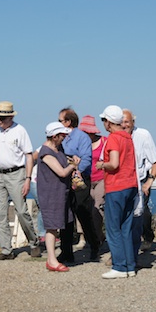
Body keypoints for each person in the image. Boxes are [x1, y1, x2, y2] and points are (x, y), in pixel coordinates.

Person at [0, 101, 41, 260]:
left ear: (10, 116)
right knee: (0, 214)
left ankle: (34, 242)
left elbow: (29, 155)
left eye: (2, 117)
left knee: (21, 211)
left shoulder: (20, 131)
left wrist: (27, 178)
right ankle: (6, 249)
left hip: (16, 174)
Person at [95, 105, 138, 279]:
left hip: (117, 186)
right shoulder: (128, 137)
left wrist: (101, 165)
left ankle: (119, 266)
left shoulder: (113, 138)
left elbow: (114, 164)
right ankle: (130, 266)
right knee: (126, 227)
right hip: (131, 184)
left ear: (109, 122)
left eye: (103, 120)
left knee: (113, 227)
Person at [58, 107, 100, 262]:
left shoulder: (81, 137)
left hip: (79, 179)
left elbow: (86, 158)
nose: (59, 123)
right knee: (65, 214)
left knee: (82, 212)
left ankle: (94, 244)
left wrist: (77, 172)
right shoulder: (60, 137)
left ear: (68, 121)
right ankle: (66, 250)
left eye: (60, 120)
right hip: (64, 178)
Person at [38, 122, 81, 272]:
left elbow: (63, 160)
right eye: (62, 135)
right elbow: (61, 172)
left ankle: (53, 259)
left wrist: (70, 158)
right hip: (51, 194)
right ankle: (52, 259)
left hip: (60, 192)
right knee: (52, 227)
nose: (65, 138)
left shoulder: (57, 149)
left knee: (56, 226)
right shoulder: (46, 153)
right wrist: (73, 165)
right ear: (54, 136)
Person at [121, 109, 156, 257]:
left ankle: (144, 239)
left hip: (141, 179)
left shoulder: (143, 135)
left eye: (127, 122)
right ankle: (126, 249)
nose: (124, 125)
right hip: (123, 181)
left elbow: (155, 161)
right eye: (122, 122)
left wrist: (149, 182)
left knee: (140, 213)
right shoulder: (116, 136)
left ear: (133, 123)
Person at [80, 115, 107, 245]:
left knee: (97, 207)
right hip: (86, 179)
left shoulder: (104, 141)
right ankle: (91, 236)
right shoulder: (80, 144)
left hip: (101, 179)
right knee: (85, 209)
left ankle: (95, 238)